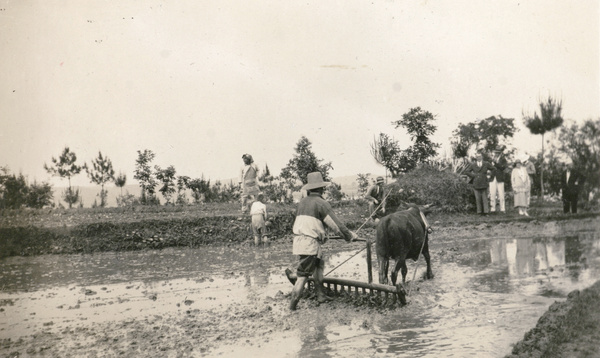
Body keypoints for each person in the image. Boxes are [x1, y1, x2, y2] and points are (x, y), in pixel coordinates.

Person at [289, 172, 357, 311]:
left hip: (300, 240)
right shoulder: (322, 203)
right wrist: (349, 236)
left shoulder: (302, 202)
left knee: (319, 265)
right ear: (321, 189)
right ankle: (292, 306)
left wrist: (321, 234)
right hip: (310, 243)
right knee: (302, 275)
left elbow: (307, 222)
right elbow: (336, 225)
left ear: (309, 189)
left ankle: (321, 295)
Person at [488, 149, 508, 213]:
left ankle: (502, 209)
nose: (496, 154)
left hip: (500, 178)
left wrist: (495, 164)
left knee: (501, 194)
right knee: (492, 193)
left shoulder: (503, 160)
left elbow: (503, 167)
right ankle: (492, 209)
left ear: (500, 153)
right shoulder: (491, 160)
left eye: (498, 153)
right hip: (492, 178)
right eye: (495, 152)